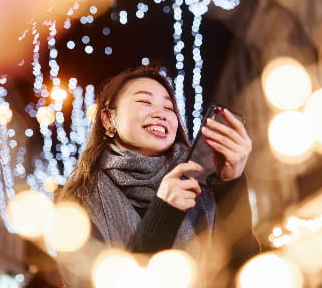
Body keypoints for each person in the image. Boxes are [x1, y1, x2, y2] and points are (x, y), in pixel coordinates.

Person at [57, 65, 260, 287]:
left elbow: (245, 269)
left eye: (169, 107)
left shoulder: (200, 185)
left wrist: (231, 184)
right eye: (144, 102)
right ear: (108, 119)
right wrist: (164, 212)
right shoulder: (76, 202)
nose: (161, 113)